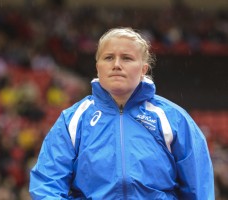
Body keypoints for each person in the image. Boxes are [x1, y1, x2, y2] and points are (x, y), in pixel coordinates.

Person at [29, 27, 214, 199]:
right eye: (108, 58)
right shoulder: (72, 121)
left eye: (127, 58)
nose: (116, 65)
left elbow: (199, 190)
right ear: (97, 66)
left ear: (143, 69)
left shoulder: (175, 120)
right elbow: (47, 184)